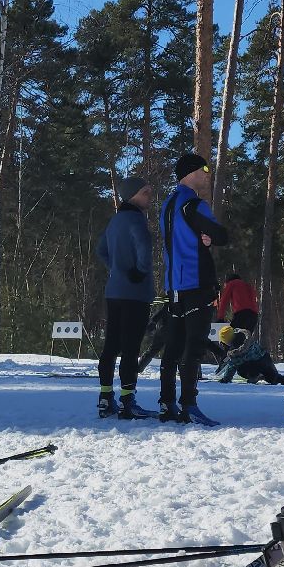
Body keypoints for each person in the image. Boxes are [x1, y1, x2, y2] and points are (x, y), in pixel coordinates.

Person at [158, 153, 231, 425]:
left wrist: (205, 239)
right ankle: (188, 404)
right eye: (205, 168)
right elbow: (223, 235)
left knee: (173, 346)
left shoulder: (167, 205)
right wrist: (211, 238)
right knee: (194, 345)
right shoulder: (193, 204)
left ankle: (167, 404)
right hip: (197, 283)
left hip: (173, 286)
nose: (207, 174)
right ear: (191, 172)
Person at [95, 176, 157, 419]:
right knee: (131, 348)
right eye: (145, 192)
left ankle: (105, 396)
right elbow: (145, 249)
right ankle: (127, 401)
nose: (149, 196)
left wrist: (116, 269)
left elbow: (101, 250)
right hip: (136, 293)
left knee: (111, 344)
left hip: (114, 291)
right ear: (132, 195)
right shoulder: (136, 220)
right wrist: (139, 272)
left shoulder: (115, 221)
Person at [215, 325, 283, 384]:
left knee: (240, 369)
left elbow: (231, 367)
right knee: (275, 378)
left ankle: (255, 375)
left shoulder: (234, 353)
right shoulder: (247, 338)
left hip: (253, 368)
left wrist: (225, 379)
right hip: (266, 360)